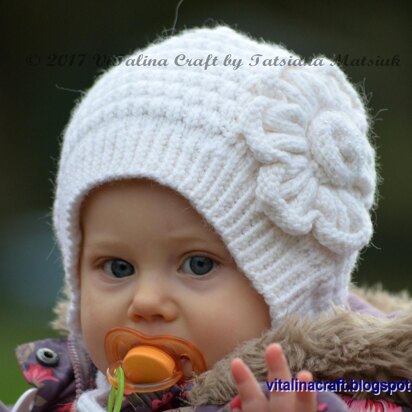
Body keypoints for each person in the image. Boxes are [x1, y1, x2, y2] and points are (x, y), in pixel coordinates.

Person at [2, 24, 412, 412]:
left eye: (197, 264)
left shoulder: (361, 396)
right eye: (117, 266)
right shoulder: (69, 390)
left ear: (289, 291)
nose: (145, 303)